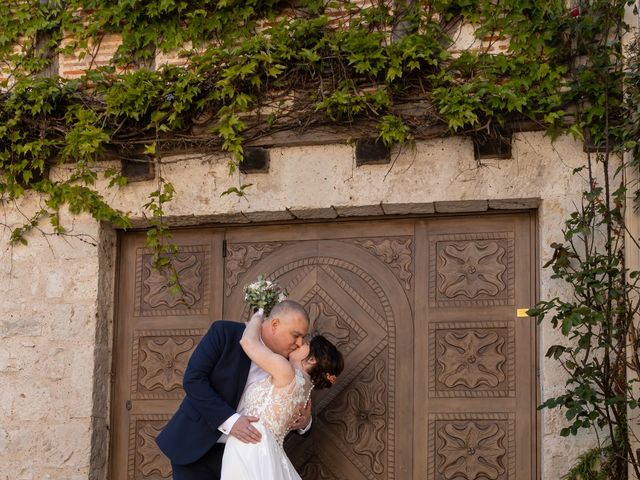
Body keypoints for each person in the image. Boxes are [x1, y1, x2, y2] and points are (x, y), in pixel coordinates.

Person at [156, 300, 312, 480]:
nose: (300, 343)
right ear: (275, 324)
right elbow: (194, 380)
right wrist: (231, 421)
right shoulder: (224, 333)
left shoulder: (287, 364)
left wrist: (305, 423)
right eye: (296, 335)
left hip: (248, 460)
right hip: (195, 447)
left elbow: (279, 409)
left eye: (303, 337)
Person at [221, 309, 344, 480]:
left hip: (250, 446)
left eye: (306, 344)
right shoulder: (306, 389)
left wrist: (259, 316)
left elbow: (248, 341)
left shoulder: (286, 372)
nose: (300, 344)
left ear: (312, 359)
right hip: (267, 450)